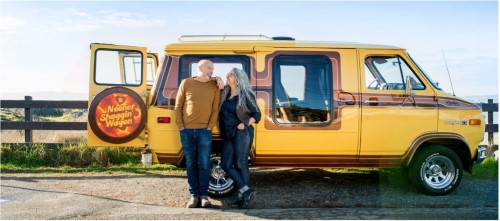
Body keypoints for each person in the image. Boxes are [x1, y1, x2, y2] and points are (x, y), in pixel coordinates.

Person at [175, 59, 222, 208]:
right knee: (190, 164)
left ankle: (204, 196)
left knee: (203, 164)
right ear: (200, 68)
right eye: (209, 68)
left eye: (213, 69)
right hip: (186, 130)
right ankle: (193, 196)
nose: (212, 71)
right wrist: (181, 126)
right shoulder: (186, 83)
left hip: (204, 132)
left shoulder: (215, 85)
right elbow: (178, 105)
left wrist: (209, 127)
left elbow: (215, 109)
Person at [219, 68, 261, 208]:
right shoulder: (225, 93)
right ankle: (246, 191)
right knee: (225, 164)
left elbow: (257, 115)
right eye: (228, 73)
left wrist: (245, 124)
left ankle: (242, 198)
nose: (227, 75)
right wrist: (215, 79)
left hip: (242, 133)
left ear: (238, 78)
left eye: (230, 74)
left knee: (241, 163)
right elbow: (212, 81)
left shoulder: (246, 94)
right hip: (228, 134)